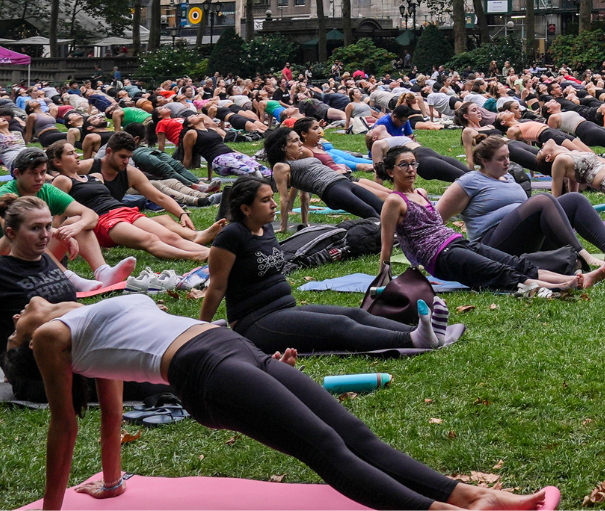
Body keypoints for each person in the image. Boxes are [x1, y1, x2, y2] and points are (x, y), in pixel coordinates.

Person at [7, 293, 552, 510]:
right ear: (26, 343)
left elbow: (111, 414)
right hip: (206, 372)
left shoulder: (81, 314)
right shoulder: (53, 339)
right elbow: (66, 425)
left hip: (233, 348)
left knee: (357, 437)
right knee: (324, 448)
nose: (14, 314)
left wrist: (111, 481)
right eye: (12, 328)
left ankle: (474, 496)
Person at [202, 177, 444, 353]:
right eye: (265, 201)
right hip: (255, 322)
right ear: (245, 209)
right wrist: (200, 329)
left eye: (272, 198)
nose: (274, 204)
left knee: (354, 313)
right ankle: (412, 339)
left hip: (283, 308)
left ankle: (425, 329)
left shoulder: (265, 228)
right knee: (339, 326)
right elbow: (216, 286)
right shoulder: (231, 237)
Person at [378, 145, 602, 295]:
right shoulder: (394, 202)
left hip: (457, 242)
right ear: (390, 172)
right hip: (440, 256)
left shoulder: (421, 193)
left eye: (413, 164)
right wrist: (383, 282)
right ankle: (565, 284)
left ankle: (573, 277)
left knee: (515, 264)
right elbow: (386, 248)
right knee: (498, 271)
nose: (410, 170)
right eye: (403, 165)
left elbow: (437, 224)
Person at [0, 195, 133, 402]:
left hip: (78, 350)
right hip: (36, 372)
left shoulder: (45, 258)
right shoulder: (3, 272)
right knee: (139, 377)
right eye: (35, 228)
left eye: (48, 227)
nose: (45, 235)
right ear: (11, 233)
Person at [437, 136, 605, 265]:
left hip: (524, 238)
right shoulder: (469, 181)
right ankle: (582, 255)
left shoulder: (510, 177)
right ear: (485, 161)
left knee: (573, 199)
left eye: (508, 157)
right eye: (500, 159)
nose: (507, 162)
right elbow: (437, 217)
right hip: (492, 245)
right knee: (542, 200)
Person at [56, 135, 217, 262]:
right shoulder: (84, 169)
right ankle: (197, 254)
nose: (126, 161)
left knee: (168, 230)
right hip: (104, 220)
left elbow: (159, 197)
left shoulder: (125, 172)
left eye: (129, 157)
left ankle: (211, 251)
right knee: (151, 238)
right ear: (109, 152)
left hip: (122, 211)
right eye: (122, 157)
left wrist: (181, 213)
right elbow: (59, 211)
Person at [0, 150, 110, 277]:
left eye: (43, 173)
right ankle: (70, 277)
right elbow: (16, 229)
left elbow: (90, 214)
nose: (39, 178)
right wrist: (56, 232)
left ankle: (103, 271)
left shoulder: (48, 190)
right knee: (29, 234)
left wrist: (76, 227)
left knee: (76, 221)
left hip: (38, 257)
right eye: (33, 173)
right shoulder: (5, 194)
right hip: (8, 260)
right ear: (17, 173)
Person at [267, 124, 386, 230]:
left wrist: (305, 223)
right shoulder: (280, 167)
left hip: (343, 181)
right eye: (295, 141)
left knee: (381, 206)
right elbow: (284, 198)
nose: (301, 143)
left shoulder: (304, 155)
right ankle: (391, 235)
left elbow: (304, 195)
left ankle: (400, 228)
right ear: (283, 147)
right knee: (370, 213)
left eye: (299, 139)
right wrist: (283, 227)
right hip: (331, 189)